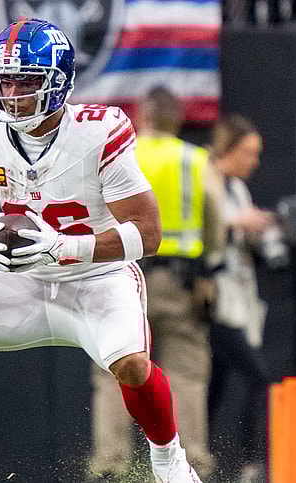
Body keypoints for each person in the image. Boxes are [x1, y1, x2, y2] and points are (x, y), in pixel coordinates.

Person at [0, 19, 203, 483]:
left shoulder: (100, 131)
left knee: (133, 366)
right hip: (27, 280)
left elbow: (149, 234)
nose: (11, 93)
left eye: (25, 80)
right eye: (3, 81)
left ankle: (169, 462)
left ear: (58, 83)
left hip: (97, 279)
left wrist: (64, 245)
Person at [87, 86, 223, 481]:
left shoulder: (114, 154)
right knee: (186, 374)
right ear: (177, 119)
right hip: (178, 282)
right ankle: (192, 465)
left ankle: (110, 467)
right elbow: (216, 222)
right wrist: (206, 262)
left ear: (142, 116)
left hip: (119, 277)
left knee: (113, 370)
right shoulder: (194, 160)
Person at [205, 115, 280, 482]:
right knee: (258, 376)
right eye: (248, 153)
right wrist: (238, 222)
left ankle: (197, 456)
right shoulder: (204, 176)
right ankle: (249, 463)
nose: (254, 162)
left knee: (213, 385)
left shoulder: (237, 188)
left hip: (239, 297)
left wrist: (260, 230)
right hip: (210, 300)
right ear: (229, 149)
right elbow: (197, 222)